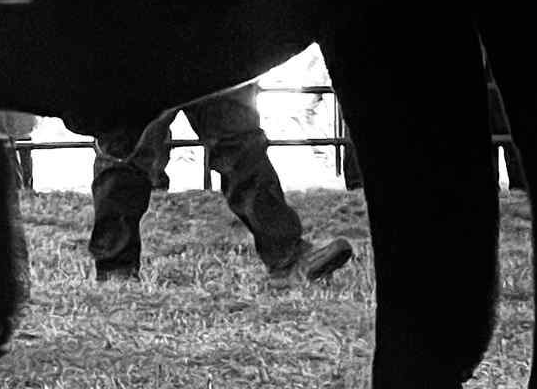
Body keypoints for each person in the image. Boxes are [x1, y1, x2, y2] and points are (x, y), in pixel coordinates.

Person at [89, 86, 354, 285]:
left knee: (240, 143)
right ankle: (115, 269)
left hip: (206, 37)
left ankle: (287, 256)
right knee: (126, 146)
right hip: (148, 36)